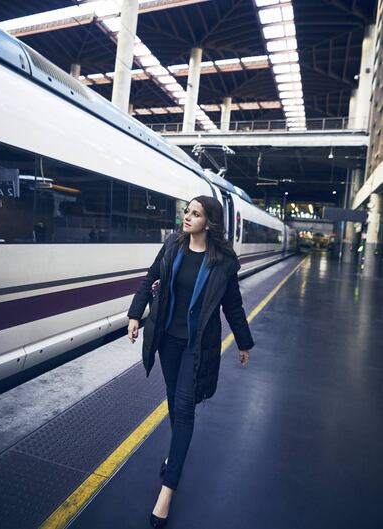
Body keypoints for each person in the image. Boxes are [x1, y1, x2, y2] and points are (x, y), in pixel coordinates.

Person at [127, 195, 255, 528]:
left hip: (196, 346)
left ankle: (167, 490)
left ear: (209, 222)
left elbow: (234, 306)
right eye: (187, 211)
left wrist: (244, 342)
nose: (187, 217)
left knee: (184, 408)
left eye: (195, 214)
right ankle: (175, 455)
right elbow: (150, 277)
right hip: (167, 339)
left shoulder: (223, 261)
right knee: (174, 401)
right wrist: (135, 315)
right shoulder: (173, 245)